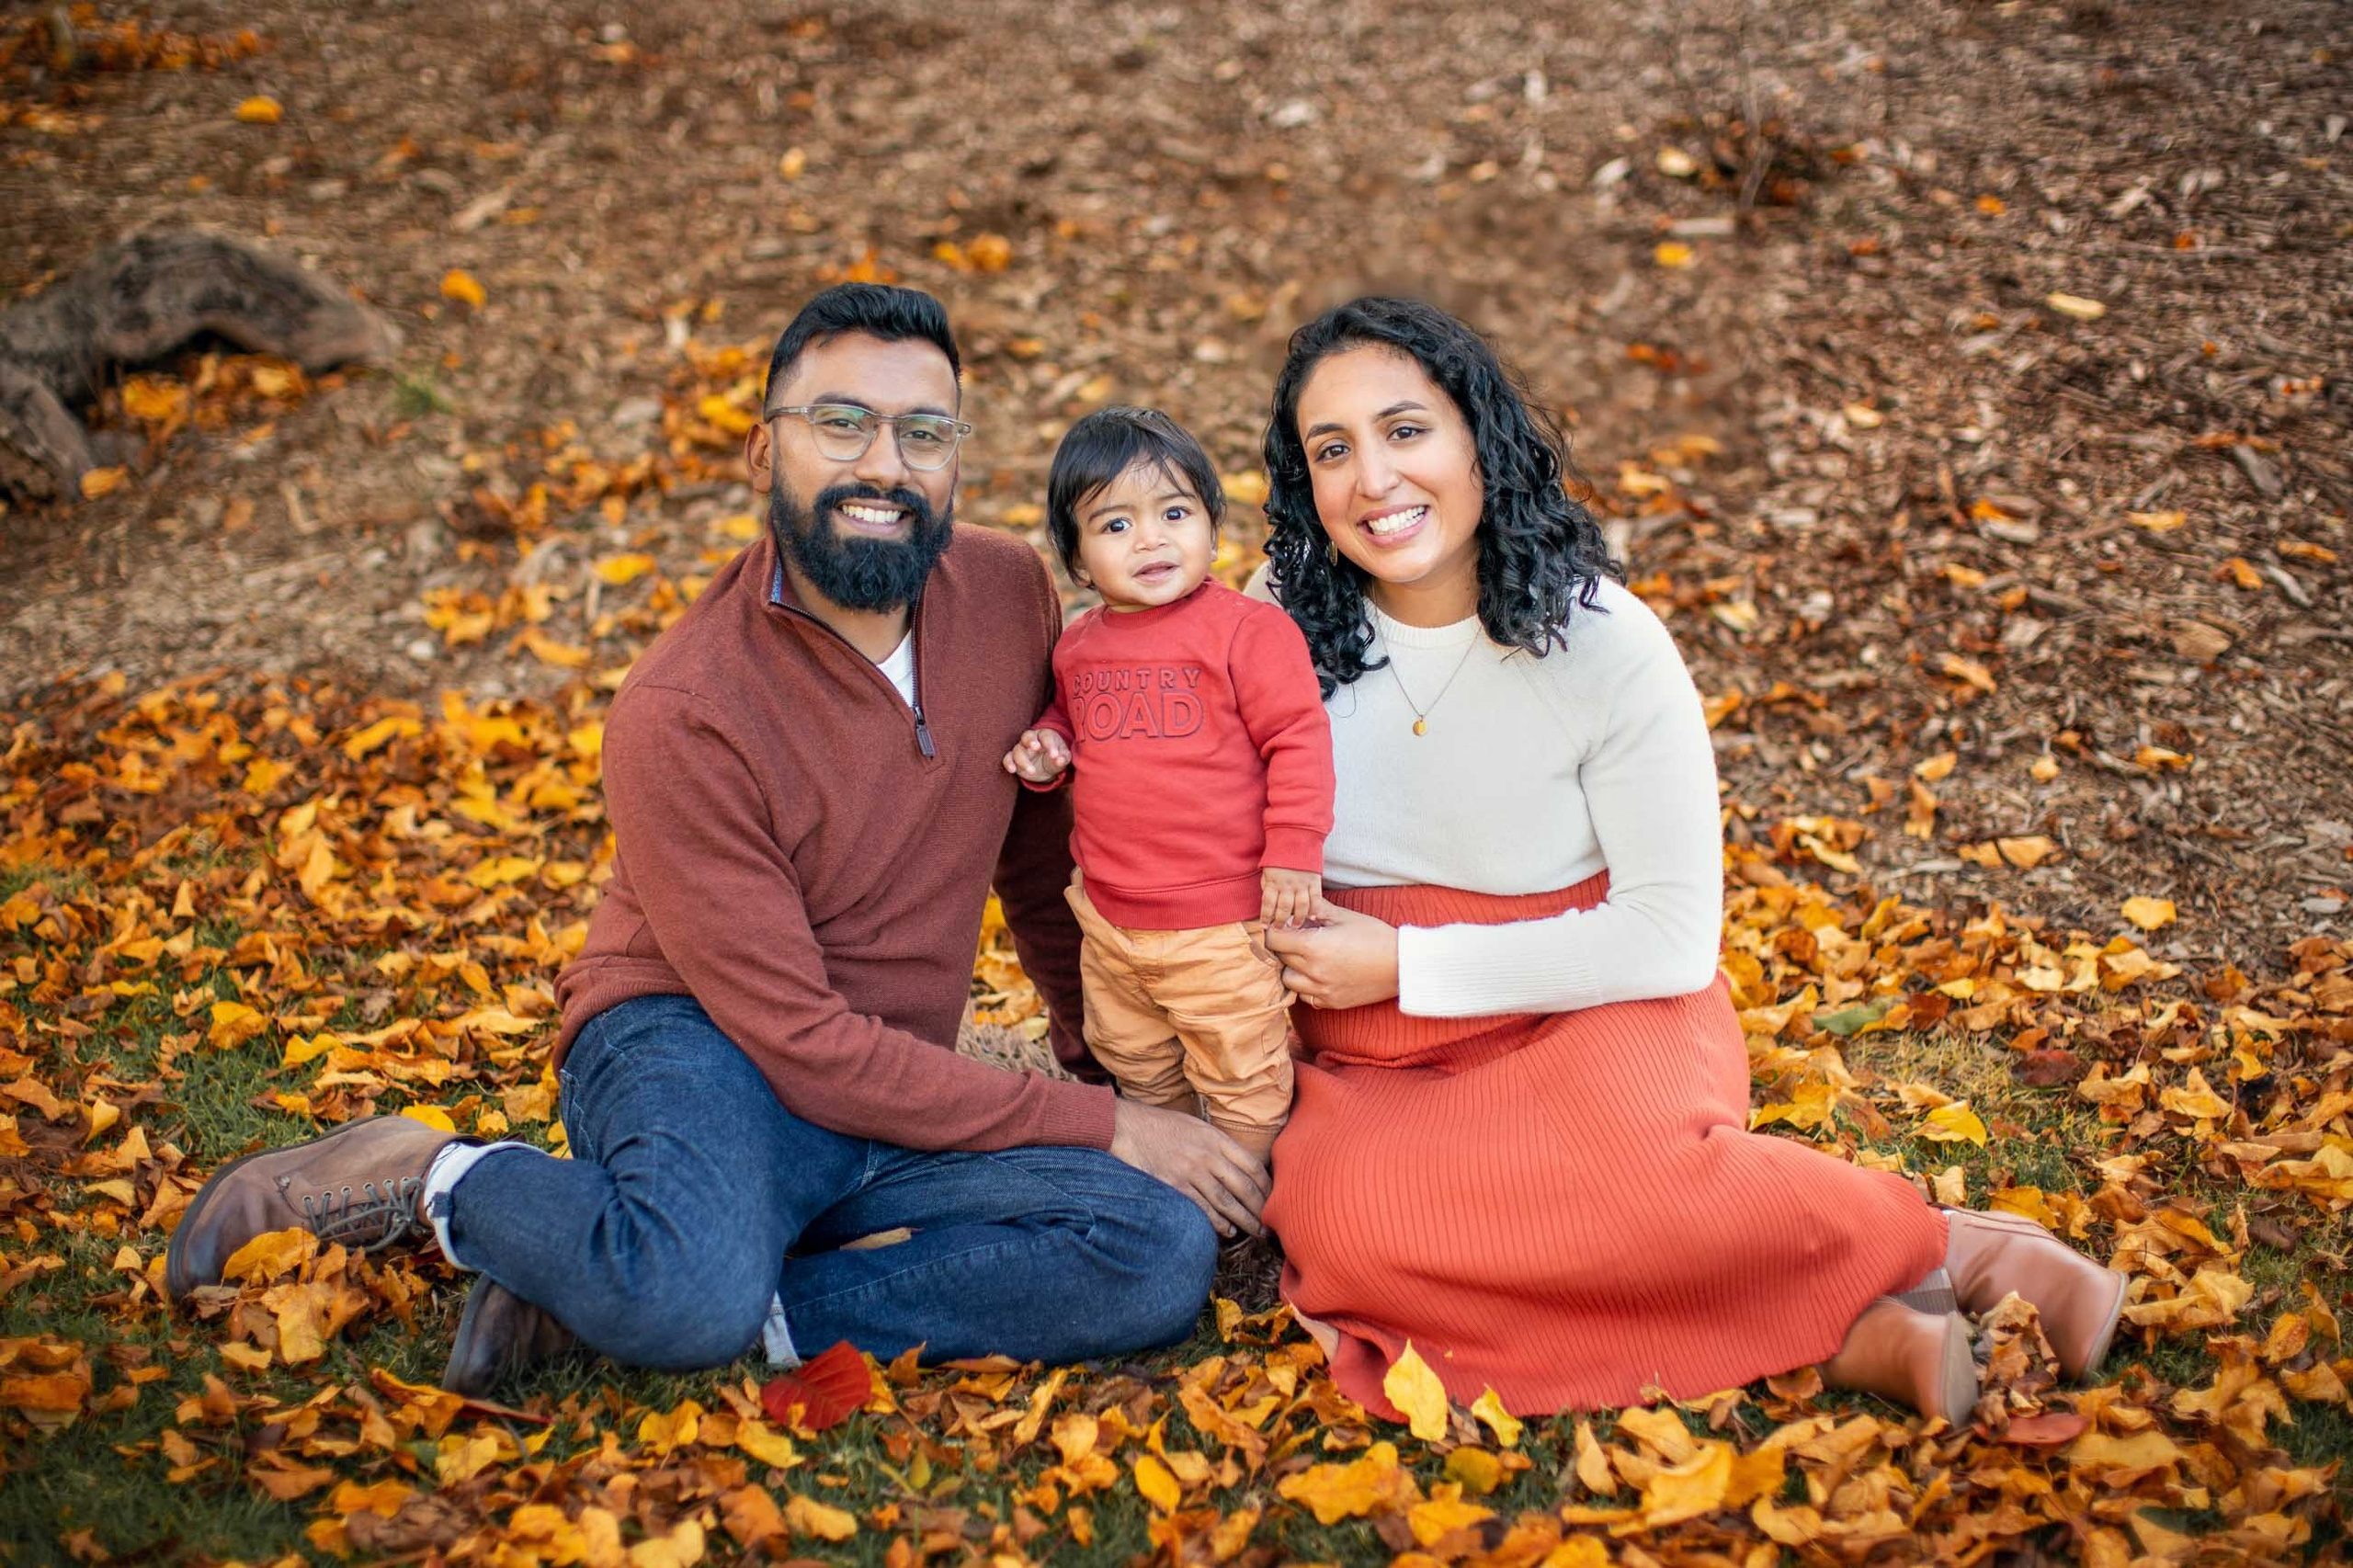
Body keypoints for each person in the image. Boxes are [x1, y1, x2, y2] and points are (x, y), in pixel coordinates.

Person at [164, 284, 1270, 1394]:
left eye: (923, 433)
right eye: (841, 424)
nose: (884, 464)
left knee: (1151, 1248)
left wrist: (1115, 1090)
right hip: (698, 1048)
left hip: (895, 1083)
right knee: (684, 1286)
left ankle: (647, 1283)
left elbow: (1039, 870)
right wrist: (1097, 1118)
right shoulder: (682, 709)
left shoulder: (1009, 590)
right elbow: (795, 1037)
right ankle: (432, 1174)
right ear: (761, 453)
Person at [1250, 297, 2127, 1423]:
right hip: (1378, 1056)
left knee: (1631, 1179)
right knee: (1362, 1232)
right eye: (1333, 449)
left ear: (1478, 436)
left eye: (1405, 429)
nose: (1373, 478)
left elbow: (1666, 937)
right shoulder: (1274, 622)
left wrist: (1411, 962)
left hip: (1591, 1000)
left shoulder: (1605, 641)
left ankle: (1934, 1244)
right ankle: (1858, 1335)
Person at [1003, 407, 1333, 1162]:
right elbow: (1068, 719)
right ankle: (1177, 1166)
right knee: (1135, 1057)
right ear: (1079, 560)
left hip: (1219, 922)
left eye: (1174, 513)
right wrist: (1049, 747)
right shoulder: (1079, 645)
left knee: (1240, 1067)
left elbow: (1298, 739)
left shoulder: (1247, 631)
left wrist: (1295, 850)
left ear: (1213, 530)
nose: (1150, 538)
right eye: (1114, 525)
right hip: (1109, 917)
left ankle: (1245, 1189)